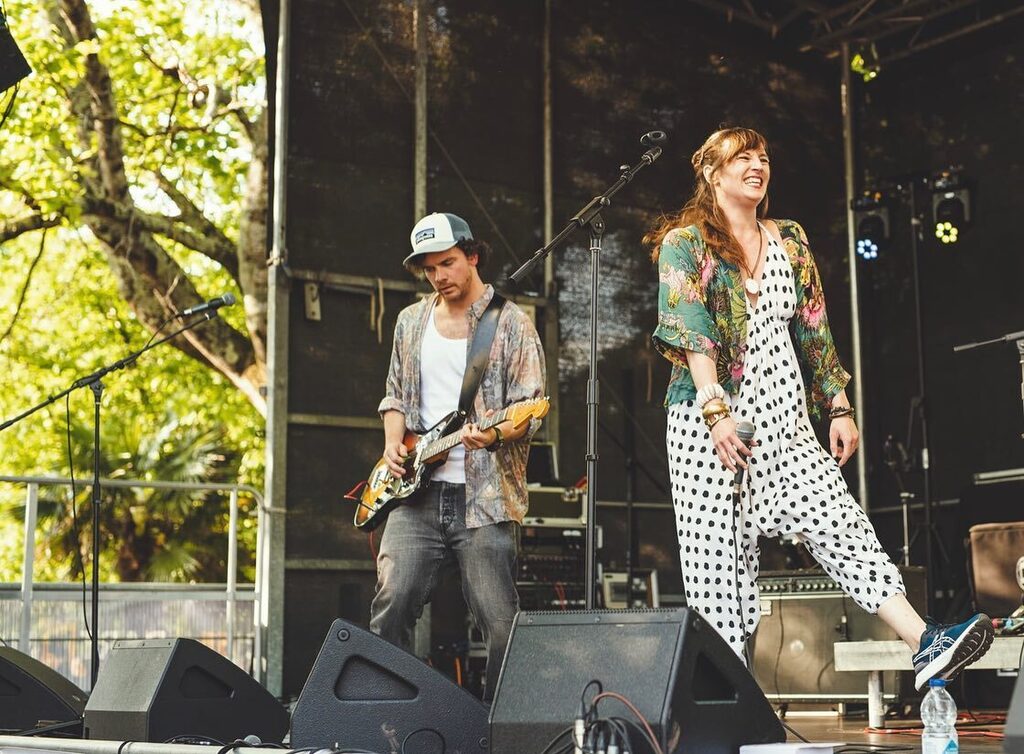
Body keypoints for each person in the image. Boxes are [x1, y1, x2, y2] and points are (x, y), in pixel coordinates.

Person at [647, 126, 992, 689]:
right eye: (743, 157)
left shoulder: (790, 239)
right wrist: (716, 414)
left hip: (786, 420)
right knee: (722, 578)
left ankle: (925, 641)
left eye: (763, 156)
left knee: (842, 523)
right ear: (712, 172)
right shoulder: (686, 243)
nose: (758, 165)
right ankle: (721, 703)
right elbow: (691, 331)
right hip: (708, 425)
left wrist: (838, 405)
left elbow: (813, 327)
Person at [371, 211, 546, 701]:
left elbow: (531, 409)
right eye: (429, 269)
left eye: (447, 263)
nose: (439, 277)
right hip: (414, 496)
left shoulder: (510, 324)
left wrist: (492, 438)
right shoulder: (410, 321)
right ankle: (393, 724)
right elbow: (395, 398)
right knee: (391, 606)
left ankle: (499, 727)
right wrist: (392, 442)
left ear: (472, 255)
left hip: (485, 499)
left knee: (500, 623)